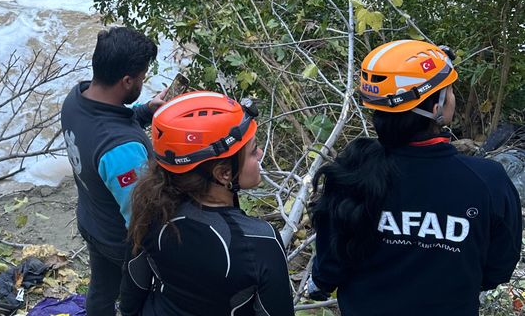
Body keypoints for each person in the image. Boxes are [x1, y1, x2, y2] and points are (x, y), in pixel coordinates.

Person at [309, 40, 522, 315]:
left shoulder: (352, 172)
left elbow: (327, 271)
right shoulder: (486, 181)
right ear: (436, 107)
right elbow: (498, 269)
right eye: (449, 90)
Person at [120, 92, 294, 316]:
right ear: (224, 173)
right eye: (252, 151)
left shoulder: (153, 206)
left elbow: (133, 290)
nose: (260, 153)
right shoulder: (260, 241)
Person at [60, 26, 163, 316]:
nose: (143, 82)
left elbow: (106, 125)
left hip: (92, 221)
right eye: (142, 77)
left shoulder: (77, 98)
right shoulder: (121, 150)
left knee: (102, 291)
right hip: (122, 243)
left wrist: (145, 111)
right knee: (141, 302)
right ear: (127, 80)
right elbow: (143, 217)